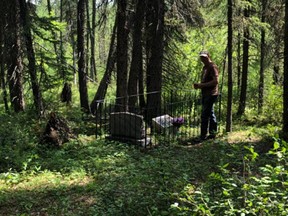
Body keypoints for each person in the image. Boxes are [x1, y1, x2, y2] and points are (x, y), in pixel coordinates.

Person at [193, 51, 219, 140]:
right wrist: (199, 85)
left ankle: (202, 136)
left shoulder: (212, 67)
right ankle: (212, 134)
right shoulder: (205, 67)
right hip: (206, 93)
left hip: (211, 94)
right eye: (201, 57)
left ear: (208, 56)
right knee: (210, 113)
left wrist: (201, 85)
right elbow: (206, 81)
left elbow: (215, 81)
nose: (203, 59)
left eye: (204, 57)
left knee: (205, 115)